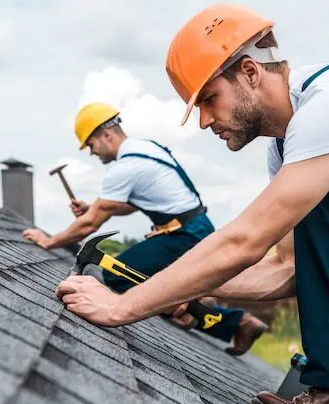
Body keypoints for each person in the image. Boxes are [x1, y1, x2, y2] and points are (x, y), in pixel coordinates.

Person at [56, 3, 329, 404]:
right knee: (321, 208)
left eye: (209, 99)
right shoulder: (288, 152)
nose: (205, 120)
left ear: (249, 71)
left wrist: (122, 306)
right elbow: (287, 269)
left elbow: (243, 241)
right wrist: (177, 288)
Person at [23, 101, 267, 353]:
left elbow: (89, 225)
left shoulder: (126, 166)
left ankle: (205, 313)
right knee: (153, 280)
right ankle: (209, 314)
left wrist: (48, 241)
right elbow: (129, 205)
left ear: (106, 135)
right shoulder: (146, 150)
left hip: (185, 234)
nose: (92, 153)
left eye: (91, 145)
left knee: (116, 274)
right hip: (192, 228)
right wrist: (92, 208)